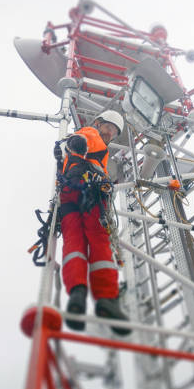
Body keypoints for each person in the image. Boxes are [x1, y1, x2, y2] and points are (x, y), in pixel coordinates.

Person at [58, 110, 131, 335]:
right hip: (90, 192)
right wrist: (78, 146)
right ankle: (106, 299)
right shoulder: (91, 133)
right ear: (98, 123)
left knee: (73, 242)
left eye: (114, 131)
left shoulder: (96, 146)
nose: (111, 133)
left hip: (69, 194)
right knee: (99, 243)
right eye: (109, 127)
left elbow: (72, 147)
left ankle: (77, 295)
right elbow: (82, 140)